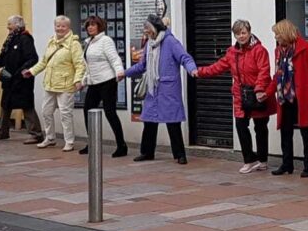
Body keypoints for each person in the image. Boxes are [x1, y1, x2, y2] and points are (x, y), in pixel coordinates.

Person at [194, 19, 275, 173]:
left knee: (260, 127)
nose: (241, 36)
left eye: (243, 33)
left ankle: (262, 160)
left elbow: (264, 71)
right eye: (237, 34)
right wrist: (200, 72)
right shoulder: (232, 53)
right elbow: (218, 66)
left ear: (249, 32)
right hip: (241, 95)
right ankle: (250, 159)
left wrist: (259, 89)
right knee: (241, 125)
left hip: (258, 94)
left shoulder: (259, 50)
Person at [262, 19, 308, 178]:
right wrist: (267, 92)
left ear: (285, 33)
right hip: (285, 97)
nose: (276, 37)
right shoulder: (279, 51)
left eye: (277, 34)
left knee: (306, 132)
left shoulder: (305, 48)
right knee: (285, 131)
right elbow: (278, 75)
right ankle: (287, 164)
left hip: (303, 97)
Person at [124, 13, 197, 164]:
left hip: (168, 88)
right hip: (153, 89)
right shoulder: (149, 45)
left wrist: (192, 69)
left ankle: (180, 154)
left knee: (173, 122)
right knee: (149, 122)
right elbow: (142, 65)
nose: (145, 31)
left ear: (155, 28)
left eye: (147, 28)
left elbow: (185, 57)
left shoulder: (170, 41)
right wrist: (124, 73)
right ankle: (147, 152)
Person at [23, 15, 85, 152]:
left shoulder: (74, 44)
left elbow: (80, 64)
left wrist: (78, 80)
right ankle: (50, 138)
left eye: (63, 26)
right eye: (58, 26)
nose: (60, 28)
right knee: (46, 112)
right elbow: (44, 61)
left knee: (65, 114)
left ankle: (69, 141)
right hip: (50, 84)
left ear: (68, 27)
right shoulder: (52, 41)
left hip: (66, 85)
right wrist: (32, 71)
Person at [0, 15, 42, 143]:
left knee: (27, 105)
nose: (8, 27)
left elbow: (33, 58)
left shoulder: (25, 38)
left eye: (10, 24)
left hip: (22, 79)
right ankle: (2, 131)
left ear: (17, 25)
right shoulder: (11, 39)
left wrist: (20, 72)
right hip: (9, 78)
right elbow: (2, 58)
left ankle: (36, 134)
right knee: (5, 104)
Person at [79, 15, 128, 158]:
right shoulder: (88, 42)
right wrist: (83, 81)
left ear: (100, 26)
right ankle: (92, 143)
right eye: (88, 25)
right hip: (94, 82)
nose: (90, 27)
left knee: (110, 112)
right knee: (87, 110)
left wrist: (119, 71)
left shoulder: (106, 40)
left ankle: (121, 145)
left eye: (93, 25)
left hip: (107, 81)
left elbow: (114, 58)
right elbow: (88, 65)